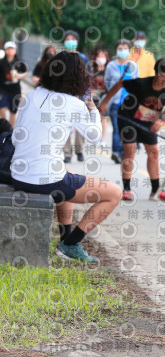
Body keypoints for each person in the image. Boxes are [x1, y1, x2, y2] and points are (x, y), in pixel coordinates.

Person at [10, 51, 121, 263]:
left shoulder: (32, 95)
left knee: (66, 173)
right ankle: (72, 243)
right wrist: (94, 110)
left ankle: (65, 238)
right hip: (44, 180)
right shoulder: (74, 104)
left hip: (18, 175)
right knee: (114, 193)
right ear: (79, 78)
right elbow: (96, 137)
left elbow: (16, 139)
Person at [99, 58, 165, 201]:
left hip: (148, 121)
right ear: (156, 74)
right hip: (127, 118)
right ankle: (127, 189)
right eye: (163, 76)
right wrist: (104, 103)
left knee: (153, 152)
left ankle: (155, 190)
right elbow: (119, 84)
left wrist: (161, 119)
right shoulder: (142, 84)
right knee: (130, 149)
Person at [104, 40, 139, 164]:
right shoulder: (110, 66)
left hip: (130, 103)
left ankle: (124, 152)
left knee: (128, 128)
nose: (122, 50)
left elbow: (137, 83)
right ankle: (116, 152)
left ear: (129, 50)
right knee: (117, 127)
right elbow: (107, 82)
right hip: (115, 102)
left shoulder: (133, 65)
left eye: (125, 48)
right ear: (116, 50)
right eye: (120, 48)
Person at [62, 30, 92, 163]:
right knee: (64, 125)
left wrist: (86, 97)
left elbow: (88, 78)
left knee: (80, 125)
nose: (70, 42)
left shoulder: (83, 58)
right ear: (64, 42)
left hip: (79, 96)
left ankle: (79, 151)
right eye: (68, 39)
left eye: (72, 39)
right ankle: (67, 153)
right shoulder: (61, 58)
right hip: (64, 96)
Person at [0, 41, 29, 127]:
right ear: (5, 50)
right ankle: (4, 129)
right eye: (8, 49)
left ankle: (11, 132)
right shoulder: (1, 62)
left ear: (15, 50)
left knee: (13, 112)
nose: (10, 51)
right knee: (2, 109)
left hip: (15, 90)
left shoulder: (19, 62)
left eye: (12, 49)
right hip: (3, 90)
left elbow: (26, 72)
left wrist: (20, 76)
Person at [89, 47, 111, 144]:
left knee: (104, 117)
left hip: (105, 96)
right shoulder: (91, 70)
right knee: (93, 117)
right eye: (99, 56)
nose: (101, 58)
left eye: (103, 56)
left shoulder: (109, 70)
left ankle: (102, 139)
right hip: (93, 96)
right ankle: (94, 137)